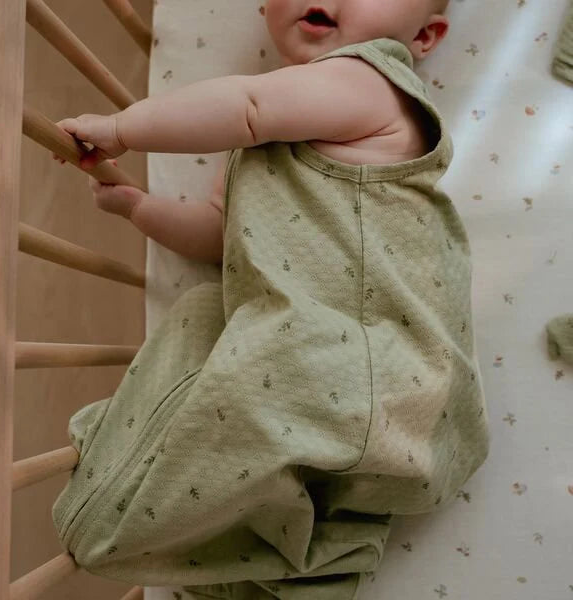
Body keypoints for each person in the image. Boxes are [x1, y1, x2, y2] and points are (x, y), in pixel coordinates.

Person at [51, 1, 490, 599]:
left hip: (372, 365)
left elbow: (249, 106)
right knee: (207, 314)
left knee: (223, 350)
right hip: (349, 409)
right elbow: (218, 233)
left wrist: (123, 130)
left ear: (425, 36)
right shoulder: (258, 142)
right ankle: (310, 559)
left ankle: (121, 510)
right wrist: (140, 209)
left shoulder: (370, 78)